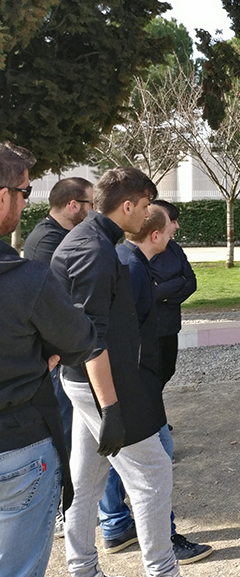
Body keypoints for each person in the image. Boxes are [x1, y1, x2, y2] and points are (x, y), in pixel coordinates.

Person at [51, 167, 181, 577]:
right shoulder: (94, 250)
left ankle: (82, 567)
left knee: (86, 479)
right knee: (152, 473)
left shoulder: (91, 240)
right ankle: (163, 570)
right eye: (144, 206)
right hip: (98, 384)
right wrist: (111, 409)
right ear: (127, 205)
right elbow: (92, 337)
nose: (148, 215)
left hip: (89, 381)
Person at [97, 204, 213, 564]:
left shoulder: (131, 260)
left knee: (118, 461)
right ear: (156, 234)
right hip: (135, 391)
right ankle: (163, 540)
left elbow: (186, 283)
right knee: (155, 463)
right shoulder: (130, 267)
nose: (176, 231)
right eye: (172, 228)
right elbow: (121, 339)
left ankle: (118, 528)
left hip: (137, 386)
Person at [0, 142, 96, 577]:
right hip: (18, 444)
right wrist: (46, 351)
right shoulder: (25, 275)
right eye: (25, 191)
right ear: (4, 196)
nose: (26, 200)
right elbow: (78, 339)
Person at [22, 176, 94, 536]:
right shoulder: (48, 241)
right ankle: (64, 508)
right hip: (56, 354)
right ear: (72, 205)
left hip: (61, 347)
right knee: (65, 428)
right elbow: (66, 295)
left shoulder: (56, 235)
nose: (92, 211)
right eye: (89, 204)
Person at [149, 199, 197, 389]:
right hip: (150, 329)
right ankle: (151, 418)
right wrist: (177, 282)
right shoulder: (137, 254)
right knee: (149, 378)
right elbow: (149, 292)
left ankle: (154, 416)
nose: (177, 226)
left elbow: (191, 282)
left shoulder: (174, 248)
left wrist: (166, 294)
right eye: (174, 221)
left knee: (167, 370)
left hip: (170, 325)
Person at [23, 177, 94, 265]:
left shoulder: (62, 234)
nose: (95, 210)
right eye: (92, 204)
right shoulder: (47, 241)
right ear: (74, 206)